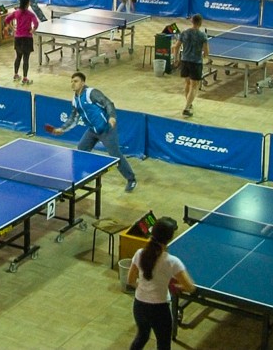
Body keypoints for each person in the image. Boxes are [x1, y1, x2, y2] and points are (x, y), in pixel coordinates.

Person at [50, 72, 138, 192]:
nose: (73, 84)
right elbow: (73, 118)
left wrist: (112, 116)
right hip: (92, 130)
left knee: (115, 155)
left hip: (106, 128)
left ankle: (131, 179)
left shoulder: (91, 93)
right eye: (71, 81)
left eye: (75, 81)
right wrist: (62, 129)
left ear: (82, 83)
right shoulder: (75, 100)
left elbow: (108, 103)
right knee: (81, 149)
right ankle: (80, 176)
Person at [126, 216, 195, 350]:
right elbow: (190, 287)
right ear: (169, 238)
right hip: (159, 310)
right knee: (163, 344)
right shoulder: (172, 262)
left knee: (142, 336)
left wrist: (144, 288)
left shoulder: (139, 253)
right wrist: (174, 286)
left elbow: (130, 281)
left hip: (139, 306)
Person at [173, 14, 209, 117]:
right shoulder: (202, 35)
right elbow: (206, 52)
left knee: (187, 84)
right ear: (200, 23)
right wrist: (204, 55)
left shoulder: (184, 33)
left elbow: (176, 47)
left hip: (185, 61)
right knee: (194, 86)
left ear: (192, 21)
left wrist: (176, 59)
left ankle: (189, 103)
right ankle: (186, 108)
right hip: (196, 63)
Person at [3, 0, 40, 84]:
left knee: (18, 57)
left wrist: (13, 29)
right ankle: (25, 78)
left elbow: (6, 19)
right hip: (27, 38)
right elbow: (36, 23)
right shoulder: (30, 14)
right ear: (27, 4)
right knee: (26, 59)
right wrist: (33, 30)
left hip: (18, 38)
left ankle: (16, 75)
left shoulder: (16, 12)